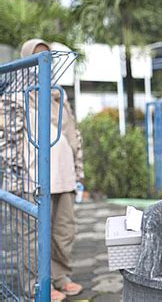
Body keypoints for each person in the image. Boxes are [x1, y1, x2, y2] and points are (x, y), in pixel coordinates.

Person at [20, 39, 84, 301]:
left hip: (64, 176)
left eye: (47, 58)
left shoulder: (60, 96)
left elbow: (73, 136)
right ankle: (36, 284)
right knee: (34, 235)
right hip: (33, 178)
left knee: (63, 232)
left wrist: (79, 171)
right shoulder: (17, 98)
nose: (43, 65)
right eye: (37, 59)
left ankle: (60, 277)